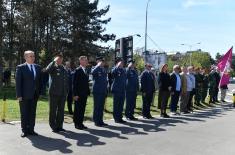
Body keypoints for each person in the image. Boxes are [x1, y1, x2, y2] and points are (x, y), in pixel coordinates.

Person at [15, 50, 42, 137]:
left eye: (33, 56)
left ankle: (31, 130)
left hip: (34, 95)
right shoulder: (20, 67)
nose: (33, 58)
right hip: (24, 95)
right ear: (25, 57)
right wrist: (19, 95)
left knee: (32, 113)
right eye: (31, 56)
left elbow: (39, 81)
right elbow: (18, 82)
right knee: (24, 113)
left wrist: (39, 92)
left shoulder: (38, 67)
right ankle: (24, 130)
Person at [46, 53, 69, 133]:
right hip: (54, 93)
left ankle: (60, 126)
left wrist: (66, 91)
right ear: (55, 59)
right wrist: (53, 62)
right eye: (58, 59)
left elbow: (65, 80)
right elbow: (47, 70)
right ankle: (53, 126)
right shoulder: (53, 67)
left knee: (61, 111)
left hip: (62, 93)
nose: (60, 60)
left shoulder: (63, 68)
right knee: (53, 110)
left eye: (61, 59)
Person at [73, 56, 90, 129]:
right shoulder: (78, 70)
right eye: (85, 60)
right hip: (78, 94)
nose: (87, 62)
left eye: (86, 60)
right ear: (81, 61)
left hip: (84, 93)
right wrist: (75, 94)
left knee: (82, 109)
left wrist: (88, 91)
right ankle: (77, 124)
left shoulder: (85, 70)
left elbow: (86, 82)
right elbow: (74, 83)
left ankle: (81, 123)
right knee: (78, 109)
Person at [91, 56, 108, 127]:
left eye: (103, 62)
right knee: (97, 106)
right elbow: (92, 72)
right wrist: (97, 66)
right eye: (101, 61)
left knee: (101, 107)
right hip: (97, 91)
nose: (102, 63)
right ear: (97, 61)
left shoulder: (103, 69)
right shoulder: (94, 68)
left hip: (103, 90)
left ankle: (100, 120)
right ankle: (96, 121)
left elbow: (105, 80)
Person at [111, 58, 127, 123]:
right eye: (121, 63)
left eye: (122, 63)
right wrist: (117, 66)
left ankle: (120, 117)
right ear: (117, 63)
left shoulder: (123, 70)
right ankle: (116, 118)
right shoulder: (114, 69)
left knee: (121, 105)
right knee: (116, 104)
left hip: (122, 89)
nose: (122, 64)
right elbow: (112, 73)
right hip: (117, 90)